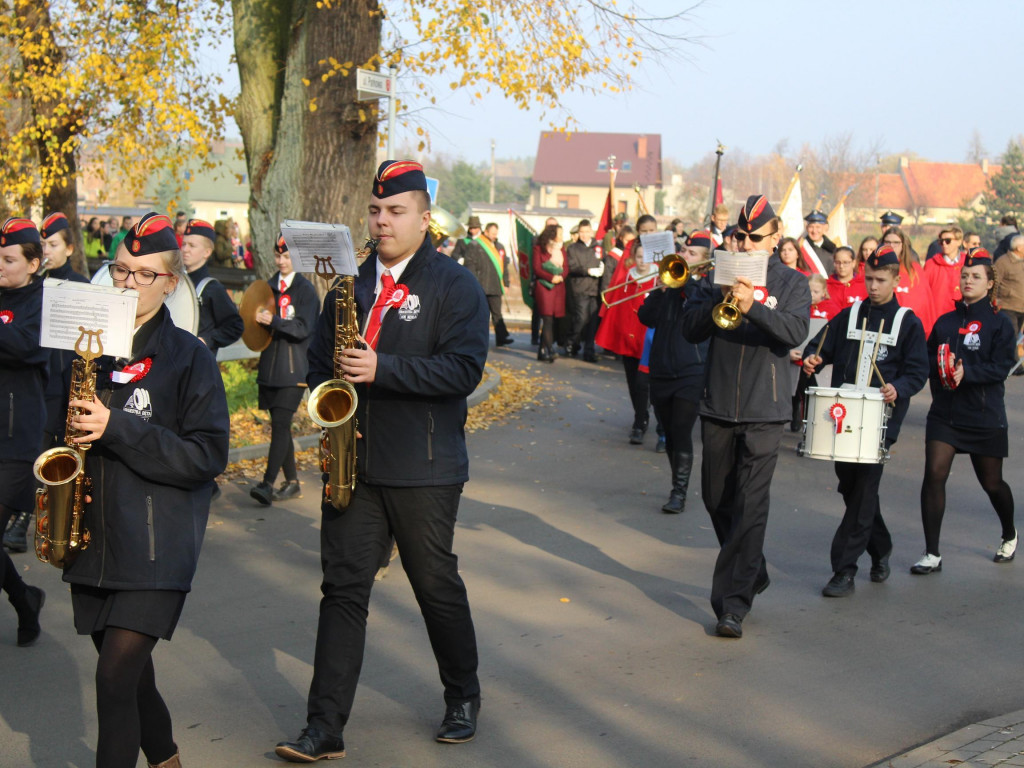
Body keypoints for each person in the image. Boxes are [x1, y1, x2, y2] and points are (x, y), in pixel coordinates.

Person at [275, 160, 488, 762]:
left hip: (425, 465)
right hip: (354, 465)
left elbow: (464, 370)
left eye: (396, 211)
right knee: (342, 590)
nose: (382, 221)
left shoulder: (455, 285)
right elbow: (320, 362)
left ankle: (463, 694)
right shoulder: (348, 284)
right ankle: (324, 727)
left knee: (433, 585)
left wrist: (383, 368)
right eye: (375, 211)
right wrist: (321, 401)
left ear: (425, 218)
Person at [62, 212, 229, 767]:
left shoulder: (190, 357)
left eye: (142, 274)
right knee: (132, 684)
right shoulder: (88, 350)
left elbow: (205, 456)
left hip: (157, 550)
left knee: (112, 681)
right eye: (120, 270)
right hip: (92, 541)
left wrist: (118, 427)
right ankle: (166, 758)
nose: (127, 284)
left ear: (170, 282)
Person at [680, 195, 810, 639]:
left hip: (765, 409)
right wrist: (717, 296)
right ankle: (750, 568)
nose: (747, 243)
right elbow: (689, 328)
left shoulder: (792, 282)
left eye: (756, 237)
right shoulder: (719, 273)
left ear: (774, 239)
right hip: (718, 403)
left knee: (751, 506)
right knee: (717, 499)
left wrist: (753, 305)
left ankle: (732, 605)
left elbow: (795, 332)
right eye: (740, 236)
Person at [802, 245, 928, 597]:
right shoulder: (850, 313)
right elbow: (822, 345)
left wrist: (898, 387)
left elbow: (918, 372)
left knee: (863, 493)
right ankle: (882, 545)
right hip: (842, 420)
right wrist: (814, 358)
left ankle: (844, 570)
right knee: (850, 488)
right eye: (869, 279)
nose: (873, 286)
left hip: (880, 422)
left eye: (880, 280)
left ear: (895, 280)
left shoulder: (908, 323)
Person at [913, 248, 1017, 574]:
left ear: (989, 283)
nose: (968, 281)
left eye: (975, 276)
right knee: (934, 474)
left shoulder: (1001, 324)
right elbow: (926, 360)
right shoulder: (945, 322)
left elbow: (1001, 367)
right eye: (965, 275)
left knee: (992, 484)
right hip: (945, 414)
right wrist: (939, 366)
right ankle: (932, 554)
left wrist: (966, 372)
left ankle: (1009, 533)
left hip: (984, 416)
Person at [638, 231, 710, 513]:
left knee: (681, 431)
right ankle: (676, 483)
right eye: (683, 250)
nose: (683, 255)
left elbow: (699, 309)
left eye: (691, 253)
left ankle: (678, 492)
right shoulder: (667, 285)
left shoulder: (703, 288)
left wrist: (685, 283)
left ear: (703, 264)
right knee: (668, 430)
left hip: (691, 371)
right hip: (661, 370)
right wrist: (660, 289)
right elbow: (646, 317)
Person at [0, 218, 47, 643]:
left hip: (17, 439)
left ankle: (24, 598)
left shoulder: (44, 300)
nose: (0, 265)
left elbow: (28, 347)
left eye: (8, 259)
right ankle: (24, 597)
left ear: (33, 264)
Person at [249, 235, 318, 505]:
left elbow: (303, 328)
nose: (282, 261)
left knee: (280, 425)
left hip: (294, 370)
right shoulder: (267, 288)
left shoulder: (306, 290)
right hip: (270, 368)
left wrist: (274, 321)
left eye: (287, 256)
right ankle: (292, 482)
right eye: (278, 256)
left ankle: (267, 484)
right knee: (280, 427)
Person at [597, 214, 662, 445]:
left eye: (652, 230)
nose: (649, 234)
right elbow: (616, 288)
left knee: (652, 381)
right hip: (629, 332)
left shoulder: (665, 257)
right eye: (644, 230)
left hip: (652, 335)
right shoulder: (629, 259)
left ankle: (656, 421)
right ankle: (640, 418)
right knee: (634, 380)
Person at [181, 218, 244, 356]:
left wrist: (207, 340)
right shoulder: (175, 281)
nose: (185, 249)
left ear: (207, 252)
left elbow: (235, 326)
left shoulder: (212, 288)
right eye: (184, 244)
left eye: (192, 245)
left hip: (198, 363)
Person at [452, 217, 512, 347]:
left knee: (497, 313)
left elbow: (504, 266)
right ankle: (477, 338)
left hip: (495, 285)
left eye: (475, 227)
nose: (473, 230)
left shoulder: (498, 246)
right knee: (479, 314)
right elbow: (466, 263)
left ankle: (501, 337)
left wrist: (506, 283)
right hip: (481, 284)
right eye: (471, 227)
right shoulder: (468, 243)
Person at [883, 227, 937, 335]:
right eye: (887, 242)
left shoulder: (914, 270)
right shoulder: (876, 268)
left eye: (896, 243)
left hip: (909, 327)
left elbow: (923, 302)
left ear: (903, 245)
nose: (891, 246)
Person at [566, 219, 605, 361]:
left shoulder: (598, 247)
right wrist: (587, 271)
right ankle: (571, 341)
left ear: (591, 232)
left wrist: (602, 269)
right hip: (580, 288)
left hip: (595, 289)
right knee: (581, 319)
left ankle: (589, 350)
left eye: (587, 232)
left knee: (593, 322)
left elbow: (603, 262)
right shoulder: (573, 248)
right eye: (581, 232)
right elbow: (571, 267)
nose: (584, 235)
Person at [533, 224, 567, 363]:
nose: (561, 237)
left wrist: (561, 276)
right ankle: (550, 349)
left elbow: (566, 267)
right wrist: (550, 277)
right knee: (546, 318)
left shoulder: (561, 249)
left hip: (558, 287)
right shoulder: (539, 249)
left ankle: (542, 351)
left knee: (551, 320)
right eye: (559, 234)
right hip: (544, 287)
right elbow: (536, 268)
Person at [925, 225, 965, 314]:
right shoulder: (931, 264)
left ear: (959, 242)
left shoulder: (967, 264)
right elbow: (924, 293)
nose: (944, 244)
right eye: (941, 241)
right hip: (938, 317)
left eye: (948, 241)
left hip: (961, 316)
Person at [994, 234, 1024, 335]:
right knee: (1011, 335)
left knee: (1017, 337)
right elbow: (994, 282)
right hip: (1008, 306)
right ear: (1019, 248)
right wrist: (994, 301)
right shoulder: (1003, 262)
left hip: (1021, 307)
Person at [800, 210, 836, 275]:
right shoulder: (801, 248)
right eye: (811, 227)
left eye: (818, 227)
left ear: (825, 228)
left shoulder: (833, 249)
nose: (814, 231)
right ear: (807, 228)